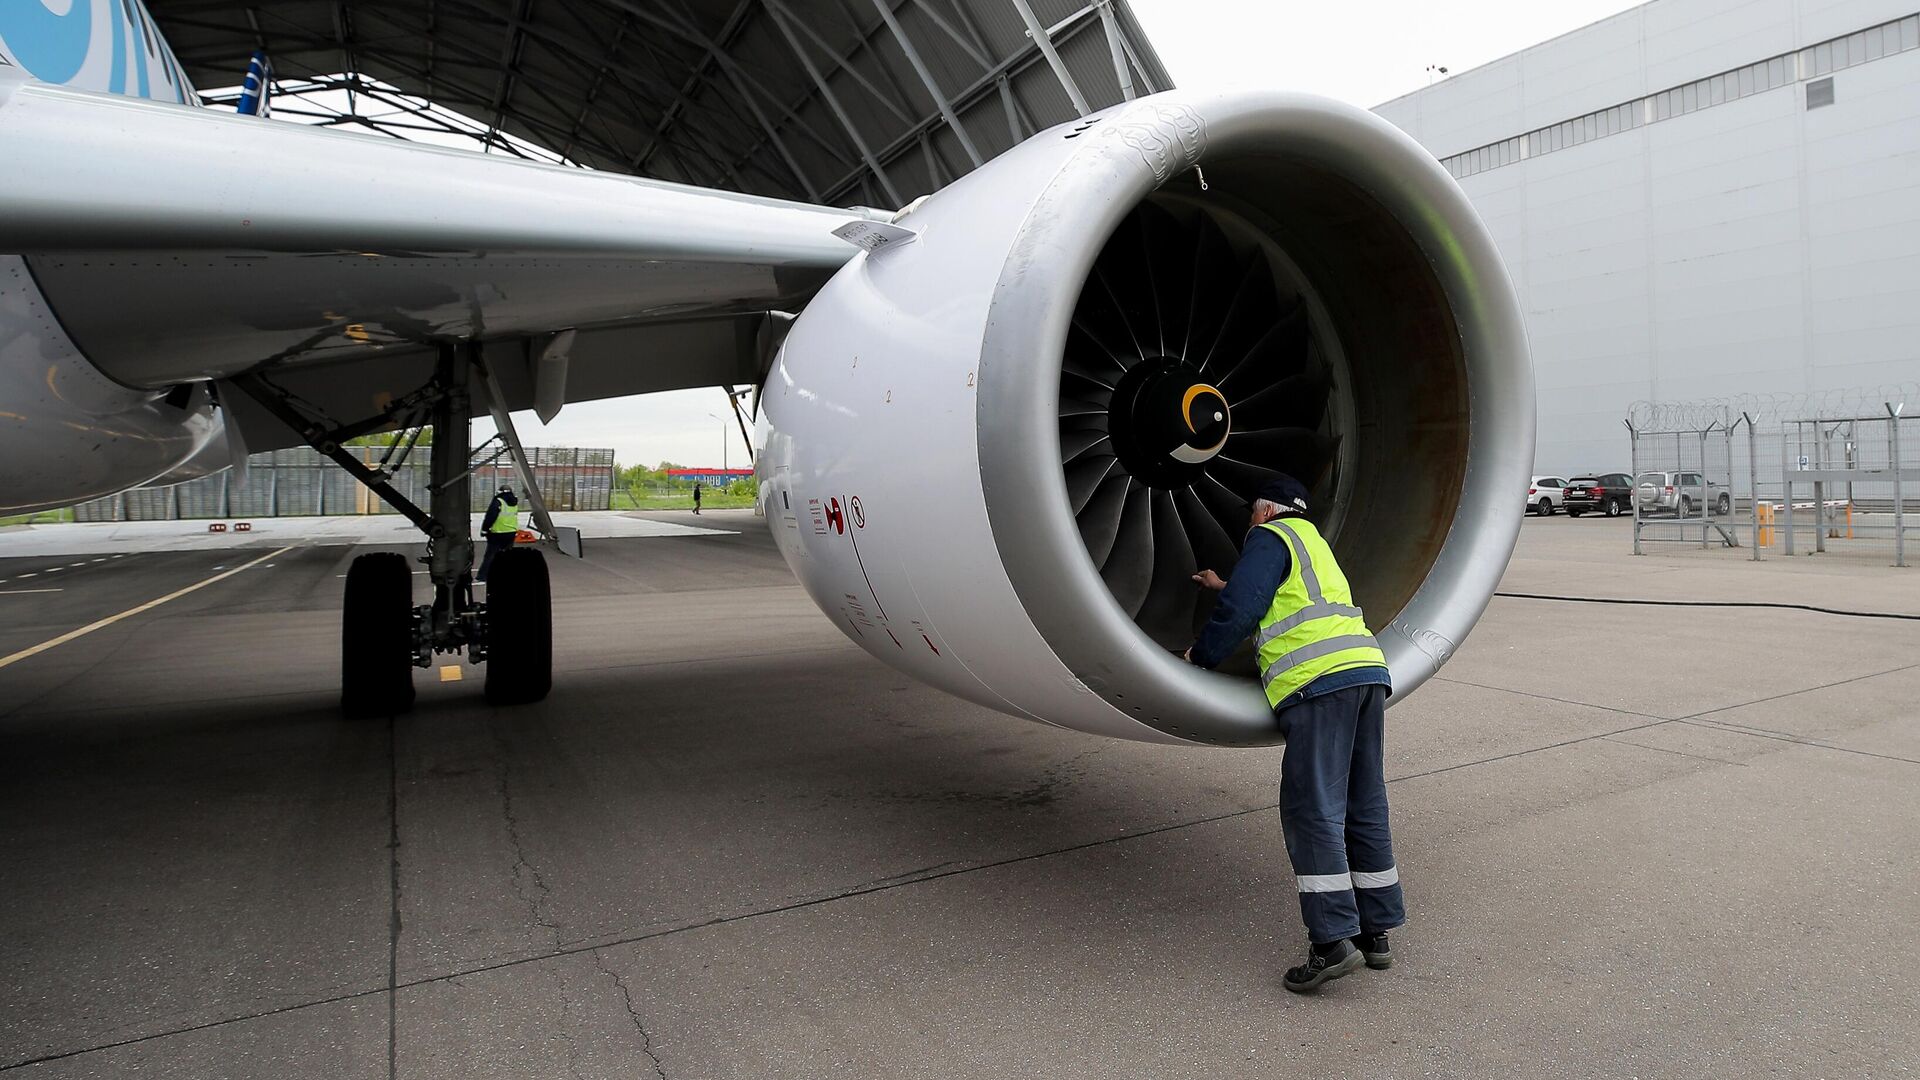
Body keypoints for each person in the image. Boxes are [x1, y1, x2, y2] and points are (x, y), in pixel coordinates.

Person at [1185, 473, 1402, 993]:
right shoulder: (1313, 544)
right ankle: (1376, 933)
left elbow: (1246, 606)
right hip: (1365, 672)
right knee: (1362, 802)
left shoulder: (1269, 537)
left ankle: (1330, 943)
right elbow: (1284, 597)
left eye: (1249, 516)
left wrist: (1201, 656)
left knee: (1312, 810)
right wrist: (1226, 582)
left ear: (1263, 511)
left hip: (1317, 683)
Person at [478, 484, 520, 582]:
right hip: (511, 532)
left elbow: (490, 516)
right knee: (506, 555)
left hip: (498, 532)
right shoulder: (514, 502)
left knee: (491, 555)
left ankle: (483, 576)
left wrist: (484, 530)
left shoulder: (498, 501)